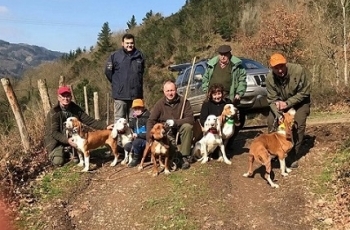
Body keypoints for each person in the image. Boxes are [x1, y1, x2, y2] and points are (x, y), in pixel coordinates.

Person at [44, 86, 114, 167]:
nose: (66, 98)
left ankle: (71, 152)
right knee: (58, 161)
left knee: (77, 159)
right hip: (57, 141)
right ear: (59, 98)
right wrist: (67, 141)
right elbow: (54, 133)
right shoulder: (53, 113)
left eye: (68, 96)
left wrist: (105, 126)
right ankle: (64, 152)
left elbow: (89, 120)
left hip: (73, 136)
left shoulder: (75, 108)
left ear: (71, 97)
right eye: (63, 96)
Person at [266, 53, 311, 168]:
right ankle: (275, 151)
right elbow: (271, 100)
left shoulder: (298, 71)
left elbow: (305, 92)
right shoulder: (270, 78)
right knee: (272, 121)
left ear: (286, 64)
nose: (280, 70)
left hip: (300, 102)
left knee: (298, 124)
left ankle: (291, 155)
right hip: (280, 104)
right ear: (272, 68)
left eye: (281, 66)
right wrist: (278, 114)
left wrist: (287, 103)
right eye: (276, 68)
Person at [147, 80, 195, 170]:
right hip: (166, 132)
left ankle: (184, 157)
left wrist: (176, 122)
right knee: (170, 150)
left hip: (179, 128)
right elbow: (151, 120)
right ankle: (173, 157)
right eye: (168, 91)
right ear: (164, 92)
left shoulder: (184, 101)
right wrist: (149, 138)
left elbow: (191, 119)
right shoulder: (159, 104)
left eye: (172, 90)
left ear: (176, 90)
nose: (170, 93)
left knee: (187, 127)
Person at [104, 33, 145, 122]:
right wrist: (118, 84)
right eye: (127, 43)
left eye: (131, 43)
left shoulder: (139, 55)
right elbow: (108, 72)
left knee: (134, 121)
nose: (129, 45)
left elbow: (141, 73)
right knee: (119, 122)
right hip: (120, 96)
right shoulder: (115, 56)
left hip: (135, 96)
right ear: (122, 43)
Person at [202, 44, 247, 109]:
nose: (223, 57)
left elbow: (242, 81)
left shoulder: (237, 66)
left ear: (229, 54)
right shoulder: (212, 65)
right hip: (213, 96)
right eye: (221, 54)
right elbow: (205, 79)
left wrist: (239, 93)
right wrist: (206, 90)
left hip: (228, 96)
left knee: (228, 116)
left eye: (225, 55)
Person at [123, 99, 150, 167]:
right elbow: (130, 126)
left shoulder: (148, 118)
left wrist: (138, 135)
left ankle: (135, 159)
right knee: (127, 146)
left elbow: (149, 134)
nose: (137, 110)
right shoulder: (135, 119)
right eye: (135, 108)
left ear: (143, 108)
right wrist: (124, 126)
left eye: (139, 108)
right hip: (138, 140)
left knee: (136, 142)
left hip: (146, 141)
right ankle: (141, 156)